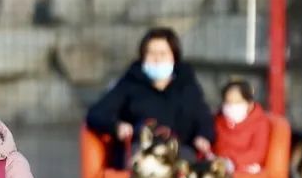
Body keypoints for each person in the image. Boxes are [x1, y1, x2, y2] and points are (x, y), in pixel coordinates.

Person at [86, 26, 215, 166]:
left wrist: (203, 136)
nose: (157, 59)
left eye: (163, 53)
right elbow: (96, 113)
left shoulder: (187, 84)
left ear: (174, 56)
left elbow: (204, 118)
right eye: (151, 53)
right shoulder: (130, 82)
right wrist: (117, 126)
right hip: (141, 150)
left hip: (178, 150)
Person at [214, 80, 272, 174]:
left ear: (249, 103)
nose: (232, 106)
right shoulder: (219, 121)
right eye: (228, 102)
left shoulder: (260, 123)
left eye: (237, 102)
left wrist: (232, 161)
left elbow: (257, 153)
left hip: (245, 169)